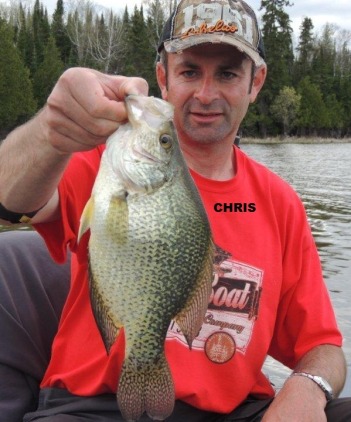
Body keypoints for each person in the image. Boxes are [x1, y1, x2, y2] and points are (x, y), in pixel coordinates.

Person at [0, 0, 350, 420]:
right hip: (92, 407)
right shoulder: (104, 166)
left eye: (227, 73)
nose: (206, 94)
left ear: (255, 83)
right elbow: (9, 204)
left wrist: (308, 387)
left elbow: (324, 347)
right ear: (162, 78)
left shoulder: (280, 202)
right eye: (189, 71)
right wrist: (50, 132)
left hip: (238, 411)